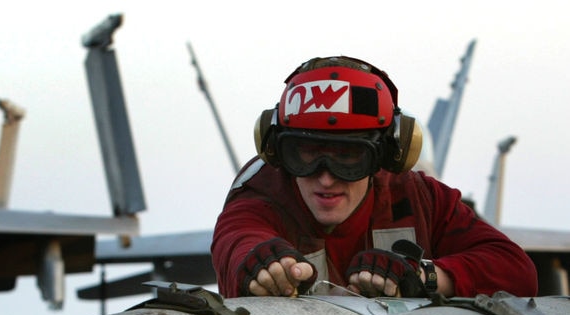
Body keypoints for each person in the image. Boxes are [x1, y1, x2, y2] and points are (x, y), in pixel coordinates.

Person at [211, 55, 538, 299]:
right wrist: (261, 264)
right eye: (307, 153)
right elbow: (237, 237)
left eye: (349, 156)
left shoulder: (420, 199)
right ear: (279, 152)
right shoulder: (260, 196)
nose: (326, 179)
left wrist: (422, 276)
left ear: (386, 154)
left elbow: (516, 270)